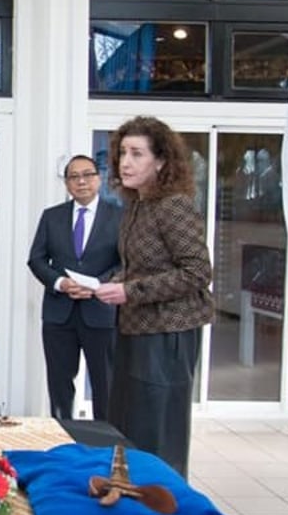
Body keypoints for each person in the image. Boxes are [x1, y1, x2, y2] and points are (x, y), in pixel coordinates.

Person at [95, 116, 215, 477]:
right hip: (135, 329)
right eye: (121, 154)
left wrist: (129, 290)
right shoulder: (137, 205)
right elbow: (142, 266)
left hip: (167, 334)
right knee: (129, 424)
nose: (125, 163)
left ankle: (163, 502)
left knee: (159, 429)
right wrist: (112, 283)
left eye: (137, 154)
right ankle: (132, 495)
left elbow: (197, 272)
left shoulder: (174, 205)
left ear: (161, 162)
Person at [28, 154, 123, 420]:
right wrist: (60, 282)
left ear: (99, 178)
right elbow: (36, 259)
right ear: (67, 183)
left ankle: (104, 443)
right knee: (59, 385)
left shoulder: (119, 216)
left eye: (87, 175)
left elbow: (127, 262)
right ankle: (63, 438)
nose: (81, 181)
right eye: (74, 177)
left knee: (105, 384)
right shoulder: (52, 217)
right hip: (60, 314)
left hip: (101, 312)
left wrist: (100, 286)